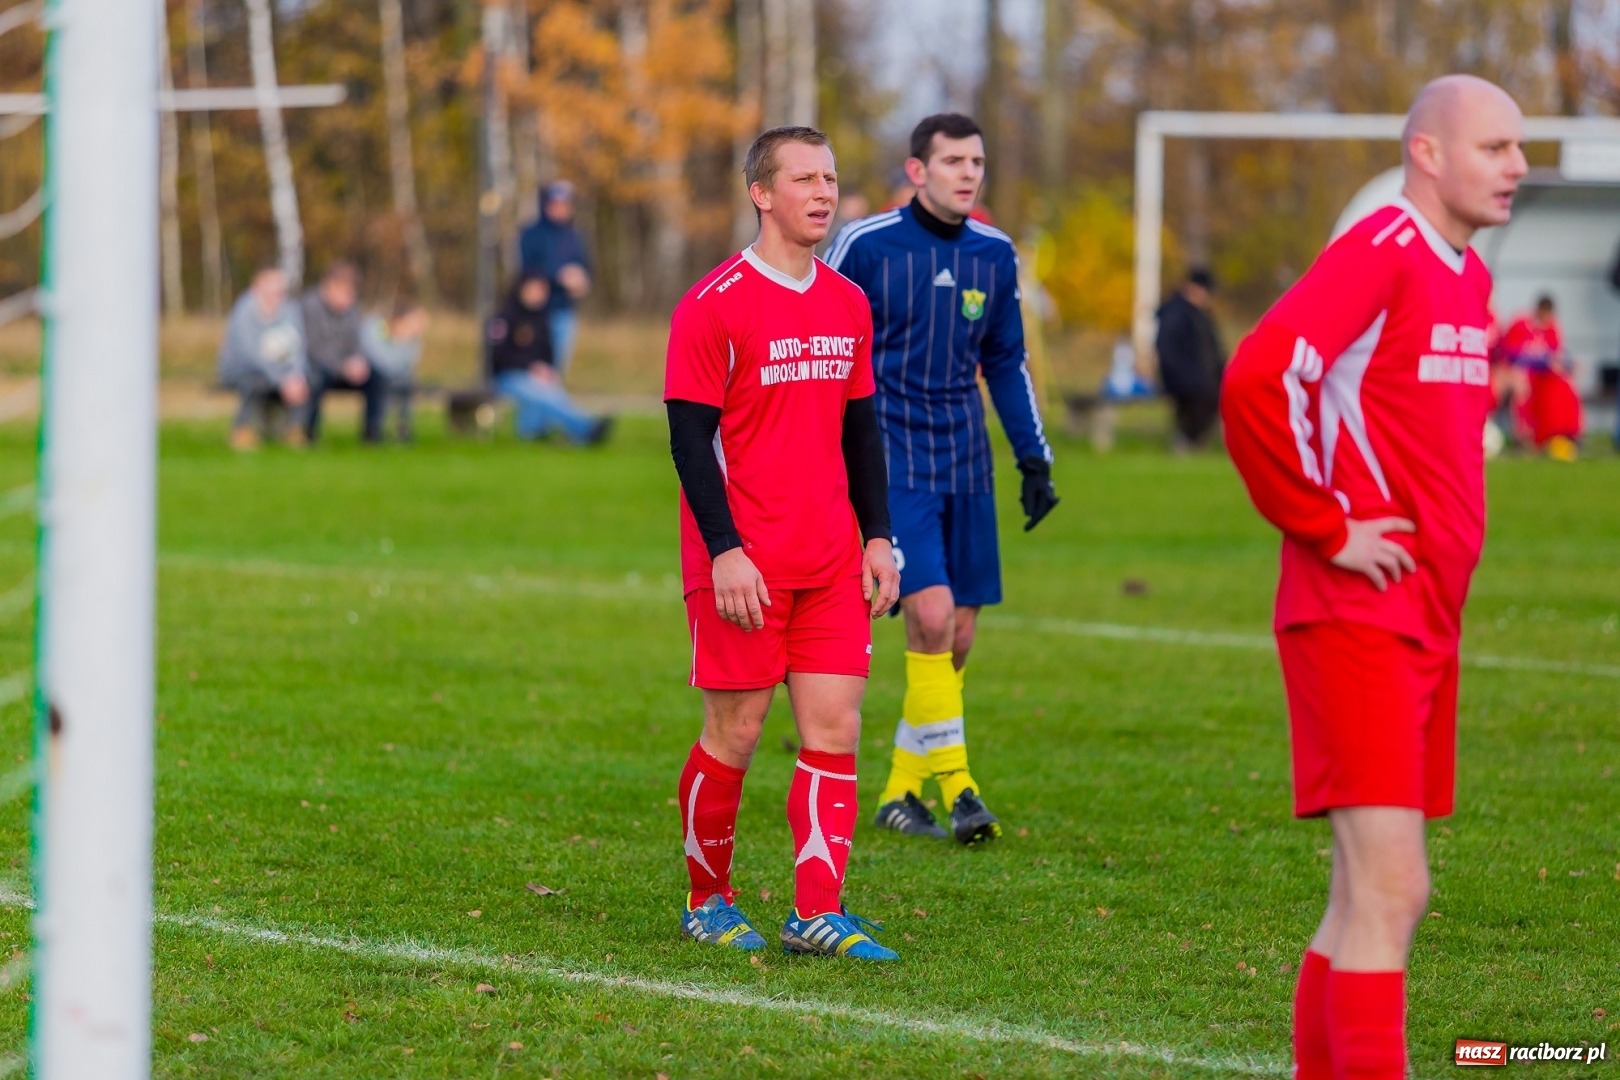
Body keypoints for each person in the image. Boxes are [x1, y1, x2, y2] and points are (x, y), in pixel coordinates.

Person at [1221, 75, 1526, 1080]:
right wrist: (1326, 524)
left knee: (1367, 898)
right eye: (1494, 148)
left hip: (1426, 618)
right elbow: (1261, 375)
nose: (1517, 167)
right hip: (1357, 611)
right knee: (1391, 892)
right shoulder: (1382, 250)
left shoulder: (1469, 277)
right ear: (1428, 153)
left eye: (1519, 148)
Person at [665, 125, 901, 960]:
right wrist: (724, 548)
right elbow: (691, 443)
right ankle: (708, 899)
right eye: (804, 179)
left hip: (833, 557)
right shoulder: (714, 303)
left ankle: (816, 912)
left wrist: (878, 537)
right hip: (742, 562)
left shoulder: (846, 301)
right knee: (736, 731)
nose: (823, 193)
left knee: (836, 726)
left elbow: (863, 430)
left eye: (831, 178)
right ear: (761, 194)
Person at [825, 113, 1057, 846]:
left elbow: (1006, 364)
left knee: (955, 636)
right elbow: (820, 339)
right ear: (917, 171)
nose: (968, 173)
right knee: (926, 617)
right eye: (952, 160)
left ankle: (900, 790)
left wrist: (1033, 457)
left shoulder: (995, 254)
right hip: (891, 460)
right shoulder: (866, 246)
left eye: (977, 161)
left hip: (965, 460)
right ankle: (960, 788)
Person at [487, 274, 611, 445]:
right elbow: (497, 357)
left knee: (550, 391)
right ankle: (586, 427)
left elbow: (549, 354)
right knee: (540, 392)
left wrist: (546, 370)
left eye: (542, 290)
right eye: (535, 289)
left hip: (535, 378)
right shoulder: (504, 318)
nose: (539, 294)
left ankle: (533, 432)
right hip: (507, 377)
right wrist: (530, 368)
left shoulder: (542, 319)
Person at [217, 266, 310, 450]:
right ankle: (243, 430)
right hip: (242, 369)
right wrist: (282, 379)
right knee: (256, 381)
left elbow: (298, 347)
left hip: (282, 370)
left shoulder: (290, 310)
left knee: (307, 379)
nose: (277, 295)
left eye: (281, 290)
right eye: (273, 289)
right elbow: (252, 355)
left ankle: (294, 430)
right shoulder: (245, 310)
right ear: (258, 287)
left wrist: (296, 375)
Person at [301, 262, 385, 443]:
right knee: (315, 379)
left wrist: (358, 361)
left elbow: (356, 342)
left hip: (347, 368)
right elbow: (312, 349)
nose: (349, 295)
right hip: (317, 367)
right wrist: (341, 366)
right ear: (329, 286)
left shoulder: (352, 309)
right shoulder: (309, 307)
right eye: (345, 290)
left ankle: (372, 435)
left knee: (377, 378)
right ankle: (309, 434)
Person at [518, 180, 592, 378]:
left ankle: (552, 404)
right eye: (555, 203)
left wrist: (582, 281)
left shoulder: (574, 236)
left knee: (557, 369)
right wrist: (559, 277)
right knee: (537, 368)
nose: (560, 209)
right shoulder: (532, 233)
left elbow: (586, 267)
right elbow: (527, 271)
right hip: (537, 312)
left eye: (564, 204)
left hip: (565, 310)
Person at [1499, 295, 1581, 459]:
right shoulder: (1521, 323)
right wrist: (1539, 361)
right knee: (1521, 384)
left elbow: (1556, 355)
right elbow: (1509, 354)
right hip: (1519, 372)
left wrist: (1568, 364)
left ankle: (1564, 433)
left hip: (1541, 376)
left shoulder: (1551, 327)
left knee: (1565, 383)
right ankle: (1523, 437)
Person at [1156, 268, 1226, 449]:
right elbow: (1167, 348)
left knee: (1217, 397)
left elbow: (1213, 350)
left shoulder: (1201, 315)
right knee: (1204, 401)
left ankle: (1190, 442)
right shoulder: (1176, 313)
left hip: (1202, 377)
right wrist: (1180, 374)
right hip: (1184, 378)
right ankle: (1186, 441)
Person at [361, 299, 429, 442]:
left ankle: (402, 430)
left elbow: (409, 363)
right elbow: (379, 360)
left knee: (407, 383)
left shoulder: (414, 339)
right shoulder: (376, 326)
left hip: (397, 377)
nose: (420, 327)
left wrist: (404, 340)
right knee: (382, 382)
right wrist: (398, 340)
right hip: (370, 374)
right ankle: (375, 431)